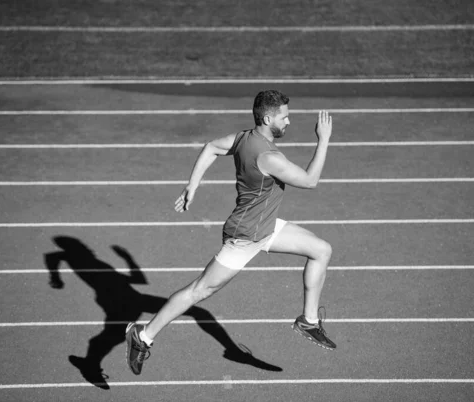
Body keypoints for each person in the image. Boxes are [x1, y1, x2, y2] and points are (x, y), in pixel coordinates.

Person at [125, 89, 336, 376]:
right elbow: (310, 181)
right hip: (246, 235)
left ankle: (309, 321)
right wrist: (323, 140)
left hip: (265, 225)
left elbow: (211, 146)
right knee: (199, 290)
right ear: (267, 117)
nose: (288, 122)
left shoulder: (244, 138)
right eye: (284, 117)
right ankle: (143, 335)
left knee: (321, 250)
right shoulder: (268, 156)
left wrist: (193, 186)